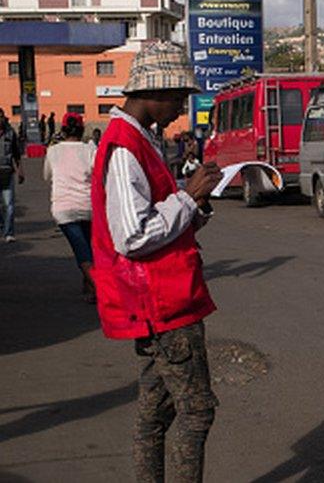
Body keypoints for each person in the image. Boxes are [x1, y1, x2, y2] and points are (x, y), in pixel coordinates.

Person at [89, 41, 223, 483]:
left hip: (157, 303)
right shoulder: (125, 146)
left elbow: (157, 222)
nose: (180, 110)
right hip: (163, 304)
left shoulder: (137, 140)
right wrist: (189, 196)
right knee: (196, 411)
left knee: (155, 413)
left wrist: (193, 205)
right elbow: (134, 235)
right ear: (157, 92)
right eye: (179, 99)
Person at [43, 112, 97, 302]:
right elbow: (98, 175)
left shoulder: (53, 151)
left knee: (81, 250)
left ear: (63, 130)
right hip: (89, 206)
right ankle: (90, 287)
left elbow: (46, 175)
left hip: (64, 208)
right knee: (89, 246)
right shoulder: (90, 149)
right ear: (82, 129)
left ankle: (98, 289)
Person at [0, 109, 24, 243]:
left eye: (1, 117)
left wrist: (20, 170)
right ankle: (3, 225)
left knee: (9, 205)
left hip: (7, 173)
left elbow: (16, 154)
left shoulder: (10, 133)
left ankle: (9, 232)